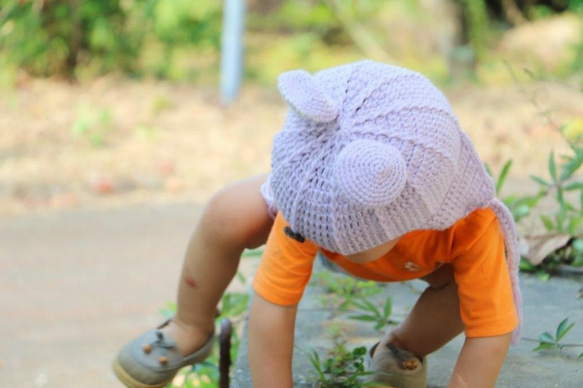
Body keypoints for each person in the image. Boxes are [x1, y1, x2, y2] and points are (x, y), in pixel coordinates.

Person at [113, 60, 522, 388]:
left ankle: (399, 347)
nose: (314, 233)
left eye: (332, 233)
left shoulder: (472, 228)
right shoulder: (309, 200)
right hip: (343, 189)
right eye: (314, 226)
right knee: (227, 210)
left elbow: (489, 333)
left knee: (471, 295)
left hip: (431, 265)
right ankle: (189, 324)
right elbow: (274, 305)